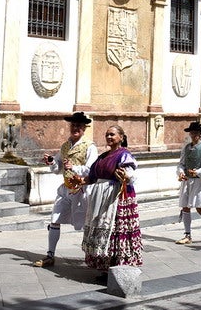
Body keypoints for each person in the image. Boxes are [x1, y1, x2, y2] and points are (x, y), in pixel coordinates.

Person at [34, 112, 99, 268]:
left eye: (78, 126)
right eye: (73, 125)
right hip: (65, 189)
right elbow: (57, 169)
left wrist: (74, 167)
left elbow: (92, 170)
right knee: (55, 219)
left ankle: (92, 256)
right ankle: (50, 255)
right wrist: (51, 162)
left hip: (82, 190)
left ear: (84, 128)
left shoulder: (90, 147)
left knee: (86, 224)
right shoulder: (65, 146)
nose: (75, 128)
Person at [81, 125, 142, 274]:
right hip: (100, 198)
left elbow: (131, 173)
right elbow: (93, 176)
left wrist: (127, 176)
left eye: (112, 135)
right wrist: (80, 181)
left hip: (116, 197)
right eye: (107, 134)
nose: (108, 137)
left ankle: (118, 266)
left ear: (121, 137)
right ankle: (104, 267)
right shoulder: (102, 157)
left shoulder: (124, 154)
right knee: (102, 228)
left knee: (115, 230)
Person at [175, 121, 201, 245]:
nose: (194, 135)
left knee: (200, 207)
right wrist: (181, 172)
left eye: (196, 133)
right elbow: (181, 163)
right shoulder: (186, 148)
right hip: (187, 181)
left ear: (200, 134)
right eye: (192, 133)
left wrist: (198, 172)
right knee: (185, 207)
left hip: (199, 182)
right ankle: (187, 235)